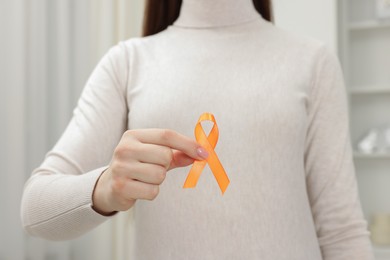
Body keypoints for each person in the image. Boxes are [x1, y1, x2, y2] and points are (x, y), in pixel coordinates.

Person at [21, 0, 374, 259]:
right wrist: (106, 188)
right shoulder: (127, 63)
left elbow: (341, 232)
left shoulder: (312, 62)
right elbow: (35, 210)